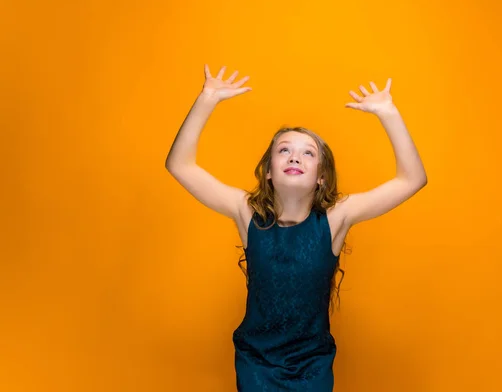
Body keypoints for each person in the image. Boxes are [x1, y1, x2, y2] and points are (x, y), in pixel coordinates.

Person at [165, 64, 427, 391]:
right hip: (256, 361)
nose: (294, 157)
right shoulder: (246, 213)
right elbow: (180, 165)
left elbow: (412, 179)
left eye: (308, 153)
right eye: (284, 150)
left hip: (311, 364)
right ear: (269, 172)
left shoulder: (336, 218)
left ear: (320, 177)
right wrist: (207, 99)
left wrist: (388, 113)